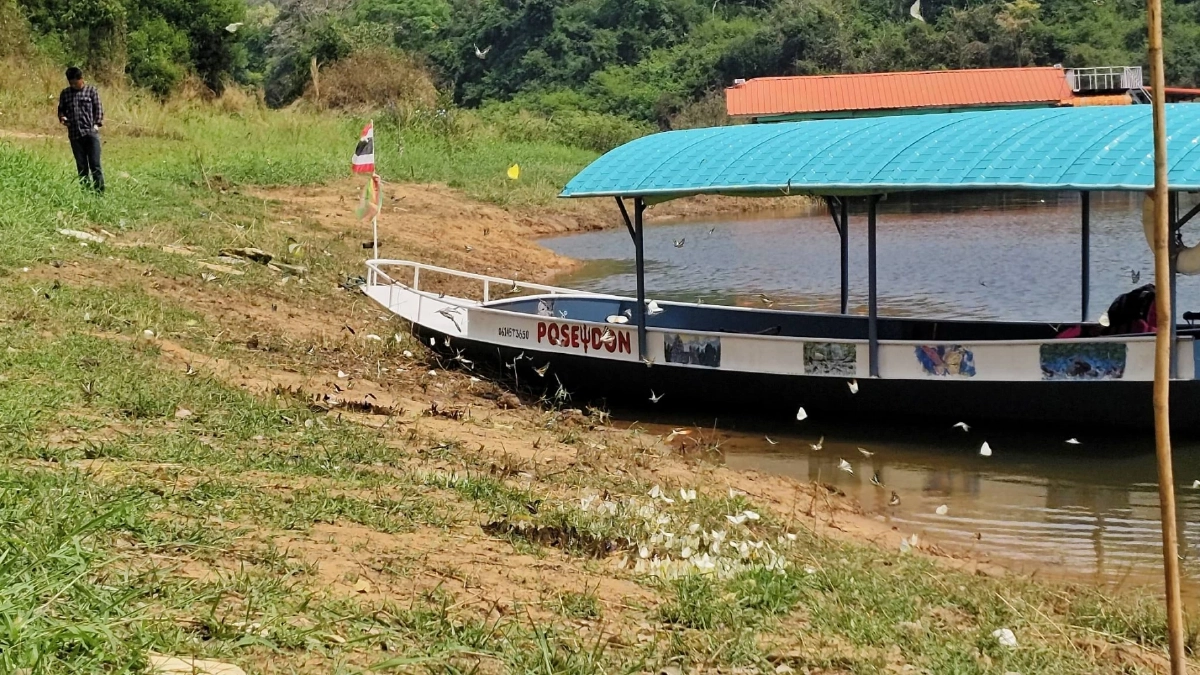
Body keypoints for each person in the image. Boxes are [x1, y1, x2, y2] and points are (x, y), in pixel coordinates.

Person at [57, 66, 104, 193]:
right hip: (74, 135)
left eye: (75, 83)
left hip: (90, 133)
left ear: (82, 79)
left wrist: (96, 125)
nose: (73, 85)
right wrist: (62, 118)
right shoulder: (65, 93)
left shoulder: (91, 91)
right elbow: (61, 110)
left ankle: (99, 192)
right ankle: (85, 192)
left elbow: (98, 109)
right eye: (71, 83)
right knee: (81, 166)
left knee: (95, 164)